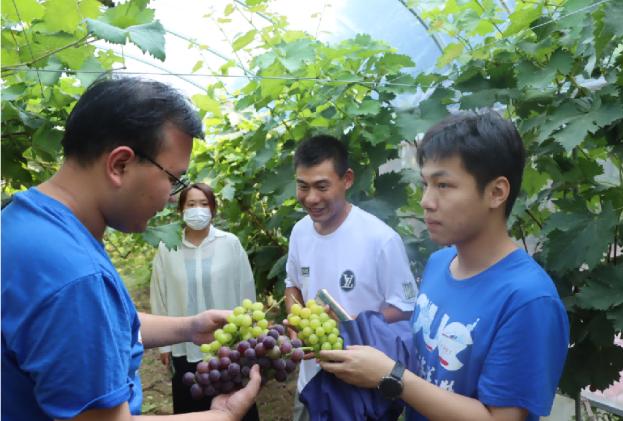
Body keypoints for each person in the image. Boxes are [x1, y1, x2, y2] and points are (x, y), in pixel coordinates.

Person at [1, 77, 260, 421]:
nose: (172, 198)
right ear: (119, 164)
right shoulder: (76, 278)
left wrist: (188, 327)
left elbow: (97, 325)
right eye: (173, 178)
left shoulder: (25, 222)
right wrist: (222, 417)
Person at [318, 111, 570, 421]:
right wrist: (353, 329)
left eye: (443, 185)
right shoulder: (440, 264)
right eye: (426, 184)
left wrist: (391, 377)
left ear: (496, 192)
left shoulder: (528, 300)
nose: (426, 200)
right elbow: (424, 359)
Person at [284, 134, 419, 420]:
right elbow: (292, 286)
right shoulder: (299, 232)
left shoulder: (380, 240)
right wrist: (296, 323)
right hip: (310, 383)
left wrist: (351, 327)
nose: (311, 198)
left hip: (361, 387)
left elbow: (406, 308)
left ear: (346, 179)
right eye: (302, 186)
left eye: (322, 186)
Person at [150, 182, 259, 419]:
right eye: (191, 204)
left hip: (229, 344)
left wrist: (251, 332)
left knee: (236, 405)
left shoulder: (229, 244)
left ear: (212, 209)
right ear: (181, 210)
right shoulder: (167, 248)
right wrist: (164, 344)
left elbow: (246, 288)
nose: (197, 209)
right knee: (192, 403)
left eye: (204, 204)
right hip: (184, 344)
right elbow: (159, 293)